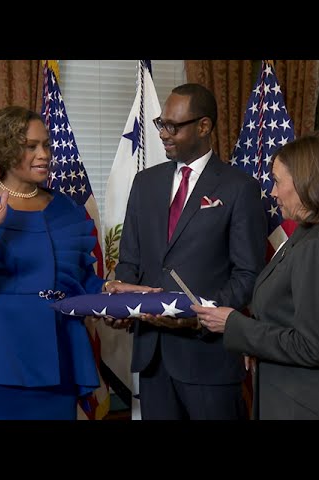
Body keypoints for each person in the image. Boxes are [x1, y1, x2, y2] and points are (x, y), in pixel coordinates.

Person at [0, 105, 157, 420]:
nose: (44, 153)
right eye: (30, 146)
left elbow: (80, 282)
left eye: (46, 144)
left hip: (53, 362)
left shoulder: (67, 210)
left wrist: (113, 291)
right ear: (4, 149)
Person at [109, 83, 268, 420]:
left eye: (173, 126)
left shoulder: (240, 188)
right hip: (152, 358)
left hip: (209, 359)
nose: (164, 134)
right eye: (161, 124)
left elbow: (248, 274)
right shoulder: (145, 183)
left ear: (204, 126)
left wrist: (199, 316)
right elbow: (130, 262)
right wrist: (122, 303)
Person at [192, 131, 319, 420]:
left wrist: (234, 325)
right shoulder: (309, 234)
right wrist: (254, 342)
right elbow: (289, 316)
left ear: (308, 183)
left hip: (315, 407)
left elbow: (310, 346)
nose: (273, 193)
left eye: (277, 182)